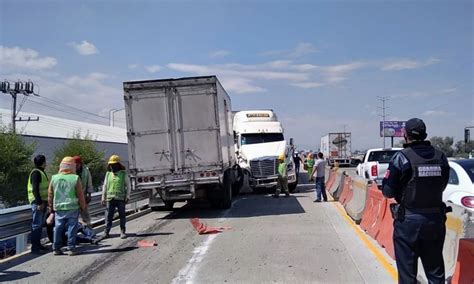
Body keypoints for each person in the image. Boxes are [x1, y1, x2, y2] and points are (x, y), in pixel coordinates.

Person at [382, 118, 450, 283]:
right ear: (425, 135)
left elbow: (387, 192)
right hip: (435, 221)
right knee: (435, 272)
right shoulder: (441, 157)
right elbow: (443, 184)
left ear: (405, 135)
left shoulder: (401, 158)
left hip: (408, 223)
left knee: (407, 275)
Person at [48, 156, 87, 256]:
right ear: (73, 166)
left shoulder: (54, 178)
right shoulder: (75, 178)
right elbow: (80, 195)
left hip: (59, 208)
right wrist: (83, 207)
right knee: (72, 228)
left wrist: (51, 208)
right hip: (72, 207)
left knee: (58, 228)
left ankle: (56, 248)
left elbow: (50, 195)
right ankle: (71, 248)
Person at [102, 155, 130, 239]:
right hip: (110, 199)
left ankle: (122, 231)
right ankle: (106, 232)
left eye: (114, 165)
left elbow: (128, 186)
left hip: (120, 199)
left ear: (118, 165)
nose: (112, 166)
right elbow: (105, 186)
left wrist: (128, 196)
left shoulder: (123, 174)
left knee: (122, 215)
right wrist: (103, 197)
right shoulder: (108, 174)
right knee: (108, 216)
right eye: (111, 165)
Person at [27, 154, 50, 254]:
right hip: (38, 202)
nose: (46, 163)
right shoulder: (36, 173)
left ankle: (38, 245)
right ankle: (35, 248)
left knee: (39, 225)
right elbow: (35, 189)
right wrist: (39, 203)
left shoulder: (40, 172)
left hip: (42, 201)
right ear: (43, 162)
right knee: (36, 225)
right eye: (45, 161)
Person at [73, 156, 93, 226]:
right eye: (74, 165)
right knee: (73, 217)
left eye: (77, 165)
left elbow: (89, 182)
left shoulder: (86, 171)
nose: (76, 167)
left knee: (85, 215)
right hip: (73, 197)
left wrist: (89, 195)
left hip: (83, 196)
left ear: (80, 164)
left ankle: (89, 231)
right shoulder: (71, 171)